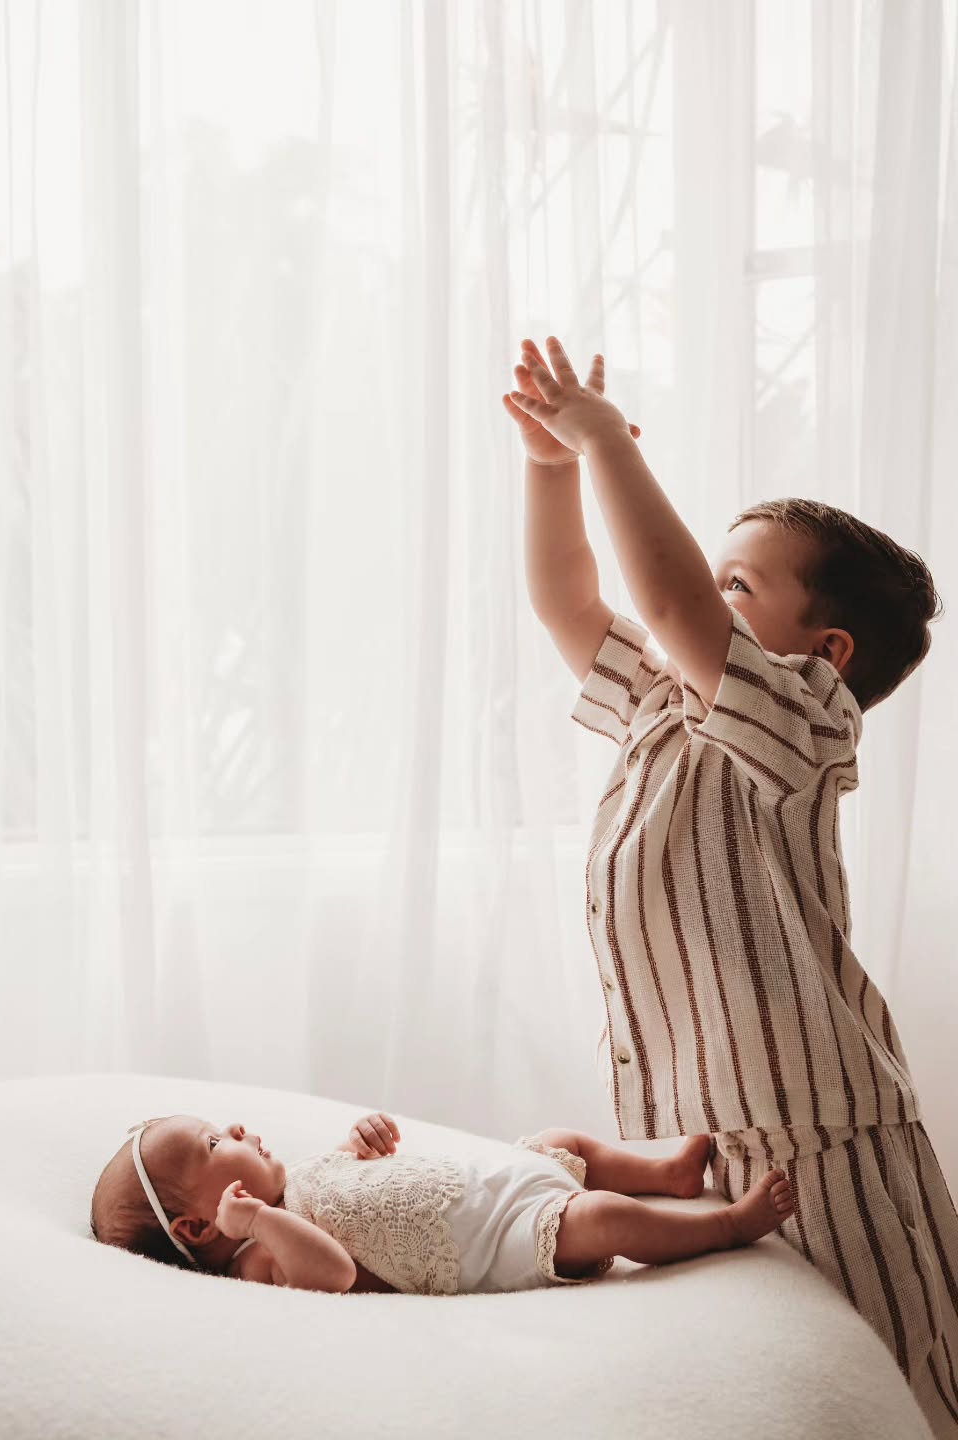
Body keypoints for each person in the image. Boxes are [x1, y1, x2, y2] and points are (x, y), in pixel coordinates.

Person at [504, 335, 957, 1437]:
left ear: (826, 651)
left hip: (823, 1146)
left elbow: (664, 602)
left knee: (899, 1383)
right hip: (690, 1141)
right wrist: (552, 470)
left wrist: (607, 440)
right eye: (714, 579)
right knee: (752, 1395)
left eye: (738, 584)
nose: (703, 598)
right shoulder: (668, 705)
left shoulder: (801, 723)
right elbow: (571, 602)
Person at [90, 1110, 793, 1294]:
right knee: (601, 1221)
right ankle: (727, 1226)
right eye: (217, 1143)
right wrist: (260, 1221)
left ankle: (664, 1173)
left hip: (492, 1182)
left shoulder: (297, 1176)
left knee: (561, 1139)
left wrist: (359, 1140)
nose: (238, 1129)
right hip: (494, 1241)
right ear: (195, 1223)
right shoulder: (256, 1260)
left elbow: (351, 1171)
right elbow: (332, 1273)